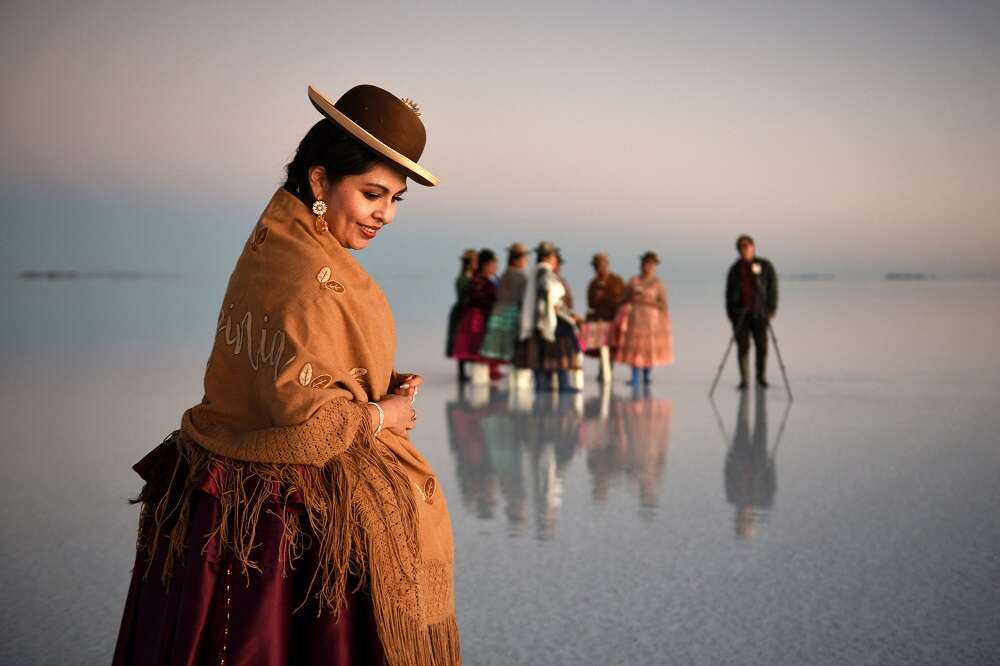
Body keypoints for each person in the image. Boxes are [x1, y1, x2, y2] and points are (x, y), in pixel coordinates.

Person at [113, 84, 461, 666]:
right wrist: (383, 414)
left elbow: (290, 365)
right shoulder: (307, 276)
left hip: (233, 498)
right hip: (279, 534)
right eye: (372, 194)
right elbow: (307, 429)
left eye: (396, 199)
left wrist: (363, 378)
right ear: (321, 181)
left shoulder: (279, 243)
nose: (386, 214)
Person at [515, 242, 580, 392]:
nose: (556, 260)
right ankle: (554, 386)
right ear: (547, 257)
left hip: (535, 321)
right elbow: (550, 299)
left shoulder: (535, 272)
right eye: (554, 257)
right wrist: (570, 318)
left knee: (539, 357)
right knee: (546, 355)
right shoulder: (545, 273)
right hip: (543, 322)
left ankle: (544, 386)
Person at [725, 234, 778, 389]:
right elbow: (729, 293)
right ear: (738, 250)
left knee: (762, 345)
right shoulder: (735, 269)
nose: (745, 248)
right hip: (740, 314)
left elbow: (773, 288)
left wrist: (772, 308)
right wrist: (731, 312)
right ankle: (744, 380)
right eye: (742, 246)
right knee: (742, 346)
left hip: (760, 312)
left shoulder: (765, 266)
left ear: (753, 247)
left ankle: (761, 377)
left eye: (747, 245)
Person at [615, 251, 674, 386]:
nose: (647, 267)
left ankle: (647, 376)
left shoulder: (658, 283)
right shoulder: (634, 281)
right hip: (636, 318)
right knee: (636, 348)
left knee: (649, 349)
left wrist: (650, 303)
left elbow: (663, 304)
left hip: (651, 321)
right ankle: (635, 376)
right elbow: (623, 298)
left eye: (650, 264)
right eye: (645, 263)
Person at [451, 249, 501, 379]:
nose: (495, 267)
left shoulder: (486, 279)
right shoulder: (475, 280)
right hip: (476, 318)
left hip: (481, 316)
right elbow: (477, 298)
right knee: (474, 350)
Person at [479, 243, 529, 364]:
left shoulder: (506, 273)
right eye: (524, 258)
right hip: (510, 318)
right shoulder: (519, 275)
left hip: (499, 316)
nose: (526, 261)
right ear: (516, 260)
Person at [446, 249, 478, 382]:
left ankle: (468, 372)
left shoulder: (471, 277)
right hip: (462, 312)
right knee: (461, 342)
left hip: (467, 311)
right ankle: (462, 373)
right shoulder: (463, 279)